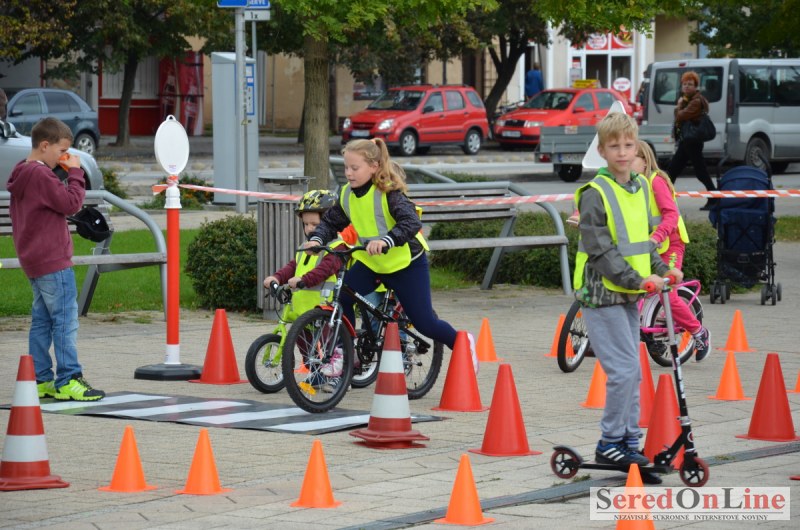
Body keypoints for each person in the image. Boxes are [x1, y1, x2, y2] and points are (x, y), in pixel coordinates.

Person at [305, 138, 478, 374]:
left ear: (374, 166)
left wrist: (387, 240)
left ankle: (462, 342)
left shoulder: (388, 193)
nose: (348, 173)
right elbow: (330, 222)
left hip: (405, 264)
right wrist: (317, 239)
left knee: (425, 323)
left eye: (355, 168)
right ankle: (344, 352)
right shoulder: (346, 194)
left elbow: (411, 222)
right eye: (346, 168)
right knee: (343, 296)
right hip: (372, 263)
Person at [573, 113, 682, 479]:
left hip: (629, 292)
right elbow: (601, 250)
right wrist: (639, 280)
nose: (622, 152)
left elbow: (642, 243)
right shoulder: (596, 193)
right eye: (614, 146)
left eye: (628, 145)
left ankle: (629, 444)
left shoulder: (638, 188)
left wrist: (664, 270)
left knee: (632, 371)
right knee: (622, 371)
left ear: (638, 149)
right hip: (602, 294)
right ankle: (609, 443)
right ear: (602, 151)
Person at [6, 117, 105, 401]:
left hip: (34, 260)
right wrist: (75, 173)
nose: (65, 157)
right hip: (53, 260)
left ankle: (41, 379)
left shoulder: (23, 171)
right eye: (62, 151)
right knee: (64, 321)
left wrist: (61, 171)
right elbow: (71, 203)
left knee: (42, 321)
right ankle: (69, 378)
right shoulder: (40, 175)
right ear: (44, 145)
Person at [633, 141, 711, 362]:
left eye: (632, 158)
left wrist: (657, 237)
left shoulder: (656, 181)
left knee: (668, 294)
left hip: (670, 244)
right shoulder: (630, 184)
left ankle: (699, 333)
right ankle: (647, 335)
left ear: (645, 161)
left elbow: (671, 215)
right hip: (645, 247)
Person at [263, 189, 347, 383]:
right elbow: (293, 266)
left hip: (324, 308)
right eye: (306, 224)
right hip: (303, 309)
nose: (310, 229)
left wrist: (304, 280)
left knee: (329, 346)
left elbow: (325, 270)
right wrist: (276, 277)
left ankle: (338, 377)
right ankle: (317, 374)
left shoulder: (337, 247)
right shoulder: (306, 246)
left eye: (315, 225)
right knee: (305, 346)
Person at [667, 71, 718, 211]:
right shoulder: (687, 100)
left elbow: (681, 116)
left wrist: (678, 106)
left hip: (692, 141)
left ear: (696, 87)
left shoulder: (696, 101)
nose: (686, 86)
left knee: (698, 171)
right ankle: (666, 200)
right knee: (673, 170)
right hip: (687, 141)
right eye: (684, 84)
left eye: (690, 84)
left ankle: (715, 198)